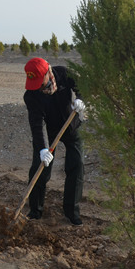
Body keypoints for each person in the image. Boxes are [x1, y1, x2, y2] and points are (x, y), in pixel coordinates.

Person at [23, 57, 87, 225]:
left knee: (76, 165)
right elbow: (37, 125)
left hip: (70, 125)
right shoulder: (31, 96)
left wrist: (81, 99)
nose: (38, 87)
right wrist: (43, 149)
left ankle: (71, 212)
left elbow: (83, 86)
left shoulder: (63, 73)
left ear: (47, 72)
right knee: (40, 166)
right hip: (49, 133)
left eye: (40, 81)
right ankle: (35, 210)